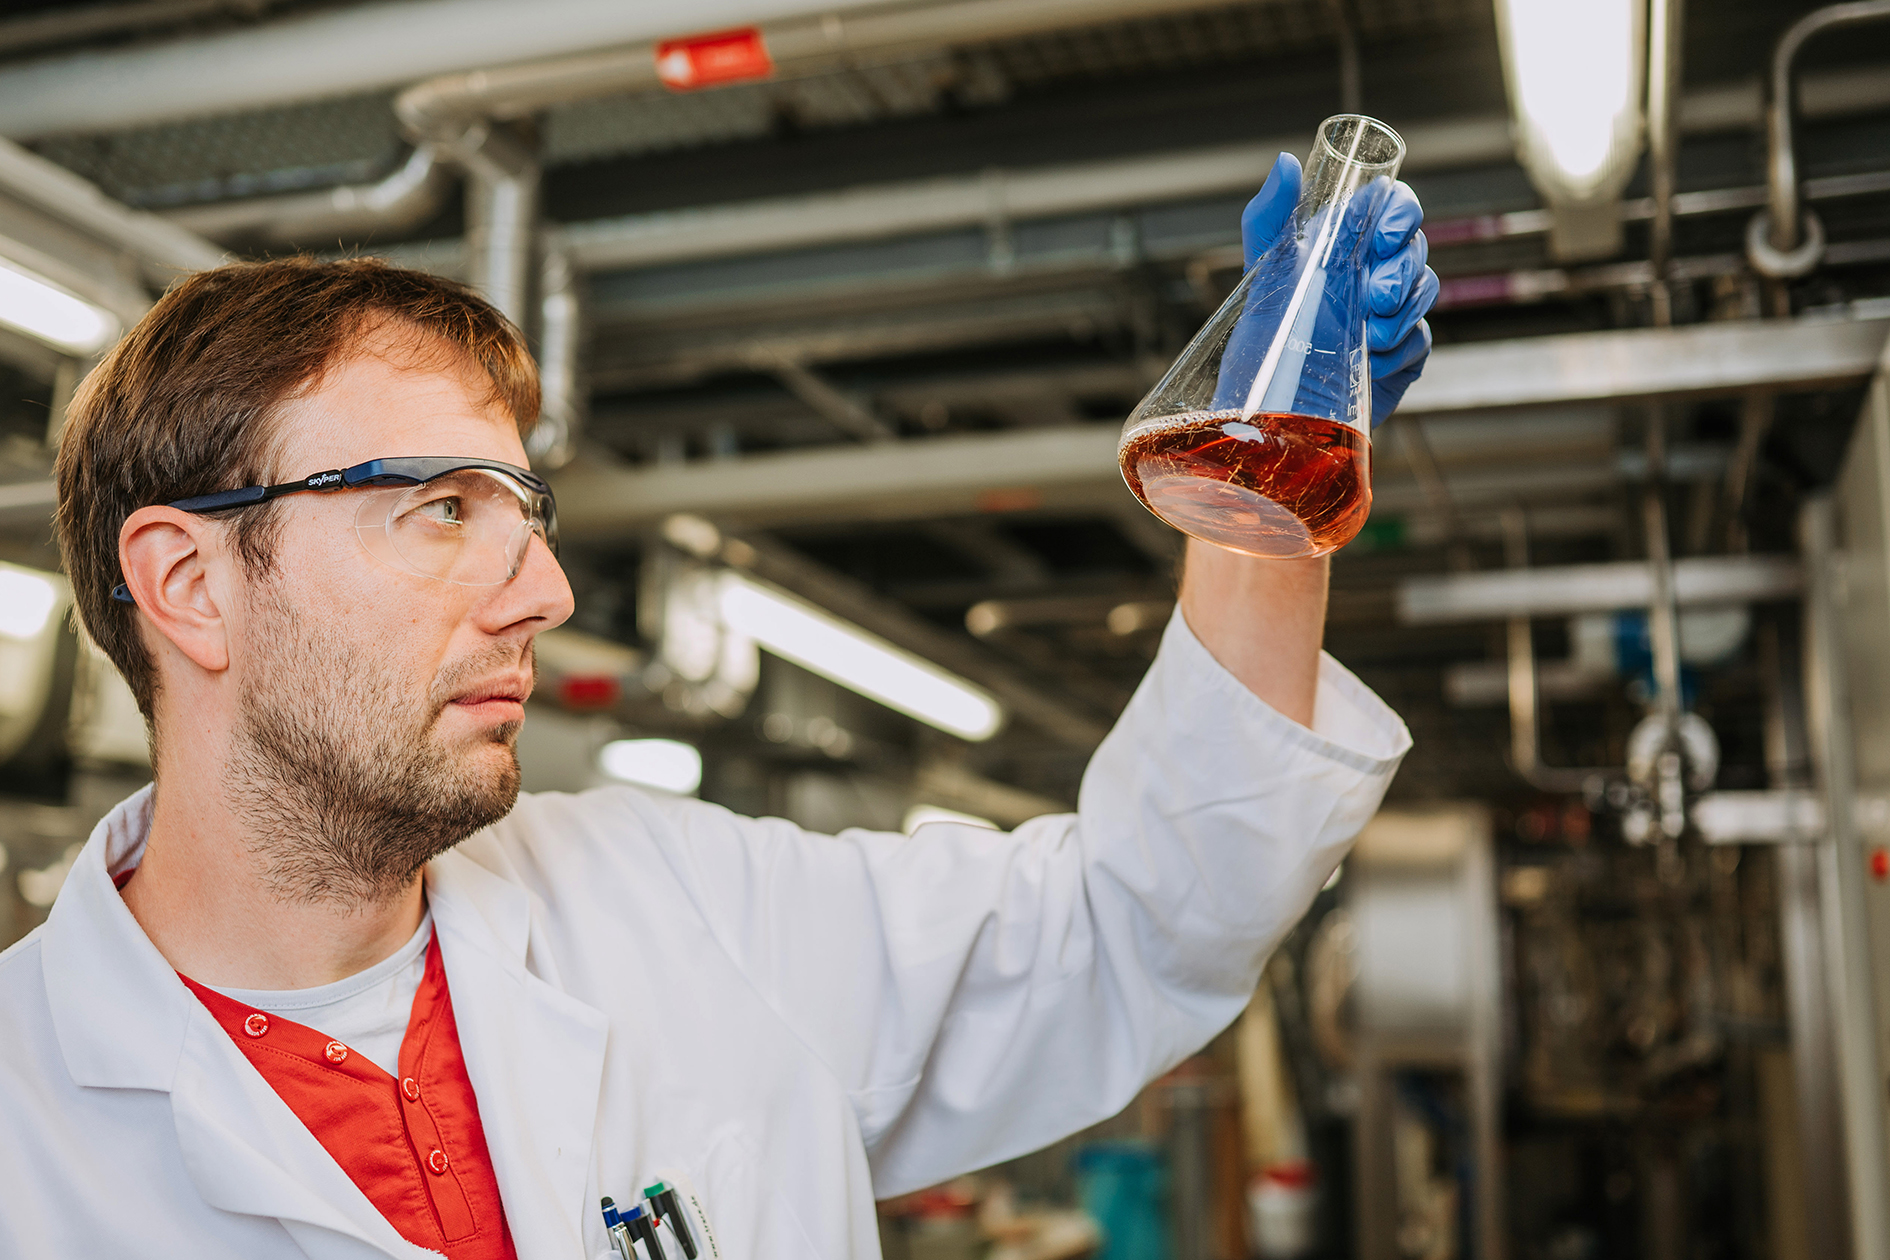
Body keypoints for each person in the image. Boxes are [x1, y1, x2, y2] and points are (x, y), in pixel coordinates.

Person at [0, 156, 1432, 1259]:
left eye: (523, 513)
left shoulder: (671, 906)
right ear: (188, 584)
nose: (544, 592)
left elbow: (1138, 917)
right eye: (439, 510)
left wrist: (1258, 507)